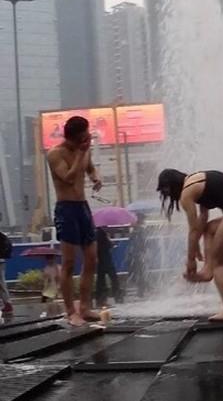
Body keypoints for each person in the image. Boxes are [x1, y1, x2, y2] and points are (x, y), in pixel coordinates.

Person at [157, 169, 223, 321]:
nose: (168, 196)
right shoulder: (198, 181)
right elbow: (202, 220)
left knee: (219, 264)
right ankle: (207, 270)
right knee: (210, 229)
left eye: (166, 191)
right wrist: (196, 247)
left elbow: (193, 229)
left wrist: (191, 259)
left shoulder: (187, 193)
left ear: (172, 184)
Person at [47, 116, 102, 326]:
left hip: (83, 207)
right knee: (69, 263)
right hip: (66, 209)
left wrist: (96, 177)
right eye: (83, 138)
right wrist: (80, 153)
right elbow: (68, 177)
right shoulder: (55, 154)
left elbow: (90, 168)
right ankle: (71, 311)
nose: (87, 140)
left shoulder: (84, 149)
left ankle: (85, 307)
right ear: (72, 139)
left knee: (91, 259)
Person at [95, 227, 123, 307]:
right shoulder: (101, 233)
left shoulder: (100, 233)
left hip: (102, 259)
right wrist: (109, 240)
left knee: (101, 279)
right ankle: (117, 297)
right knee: (112, 277)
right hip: (105, 259)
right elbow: (106, 245)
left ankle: (101, 299)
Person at [127, 213, 149, 298]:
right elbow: (143, 242)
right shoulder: (140, 230)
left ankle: (142, 289)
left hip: (135, 254)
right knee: (140, 272)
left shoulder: (135, 230)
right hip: (138, 254)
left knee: (139, 272)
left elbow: (130, 239)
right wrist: (144, 251)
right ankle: (141, 290)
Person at [0, 231, 13, 315]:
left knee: (1, 283)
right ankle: (7, 303)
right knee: (1, 282)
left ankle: (7, 303)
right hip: (1, 260)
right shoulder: (2, 235)